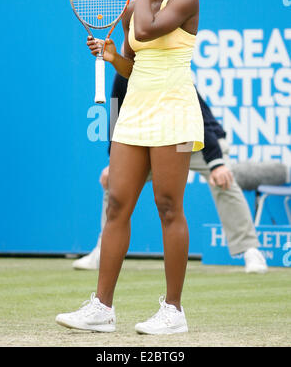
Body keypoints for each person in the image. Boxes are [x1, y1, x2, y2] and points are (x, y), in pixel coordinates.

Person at [56, 0, 207, 335]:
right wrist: (111, 58)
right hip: (135, 114)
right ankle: (102, 307)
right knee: (116, 204)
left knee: (169, 207)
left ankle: (173, 311)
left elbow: (145, 29)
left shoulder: (187, 0)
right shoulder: (131, 7)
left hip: (174, 115)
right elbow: (133, 63)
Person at [73, 73, 268, 275]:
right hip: (150, 141)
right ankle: (103, 250)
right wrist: (113, 162)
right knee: (115, 183)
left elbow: (198, 116)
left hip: (193, 140)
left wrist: (216, 162)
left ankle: (250, 250)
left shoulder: (170, 69)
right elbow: (116, 118)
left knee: (223, 181)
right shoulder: (123, 75)